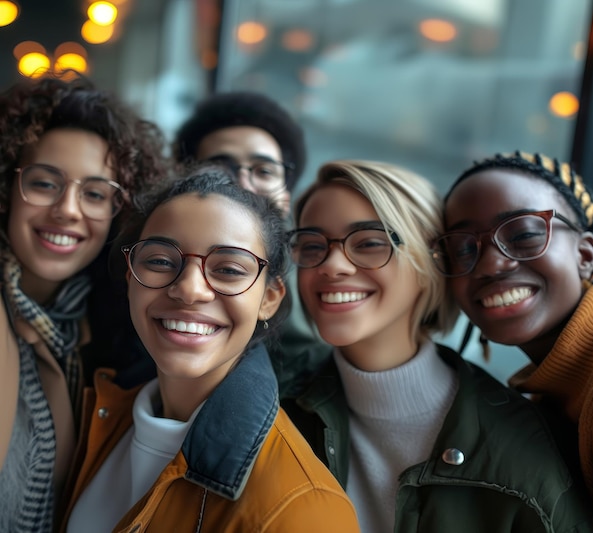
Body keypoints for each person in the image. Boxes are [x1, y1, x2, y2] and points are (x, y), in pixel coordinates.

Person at [282, 159, 593, 532]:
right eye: (310, 246)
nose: (331, 265)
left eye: (369, 243)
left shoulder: (527, 452)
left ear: (431, 261)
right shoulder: (271, 402)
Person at [61, 167, 360, 532]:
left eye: (229, 269)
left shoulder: (305, 508)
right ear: (130, 279)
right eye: (159, 261)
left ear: (269, 298)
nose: (189, 289)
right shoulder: (100, 416)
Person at [0, 73, 169, 532]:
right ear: (5, 188)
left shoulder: (89, 327)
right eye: (44, 183)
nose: (69, 210)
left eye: (95, 194)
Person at [431, 150, 593, 532]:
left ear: (585, 254)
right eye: (464, 249)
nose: (490, 264)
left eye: (523, 235)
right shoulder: (555, 393)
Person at [173, 91, 328, 396]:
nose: (243, 184)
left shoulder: (319, 315)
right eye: (221, 168)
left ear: (285, 196)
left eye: (264, 170)